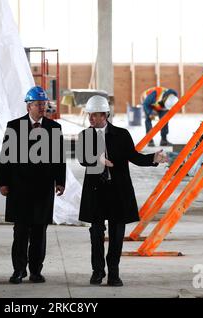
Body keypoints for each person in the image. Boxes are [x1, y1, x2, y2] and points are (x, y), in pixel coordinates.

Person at [77, 95, 168, 286]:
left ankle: (114, 273)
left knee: (117, 235)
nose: (91, 119)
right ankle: (97, 271)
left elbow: (134, 157)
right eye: (89, 115)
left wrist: (153, 159)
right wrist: (97, 160)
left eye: (94, 115)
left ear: (105, 115)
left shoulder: (121, 135)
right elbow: (82, 158)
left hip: (117, 192)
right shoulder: (85, 135)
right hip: (96, 192)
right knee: (96, 234)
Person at [0, 86, 66, 284]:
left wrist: (60, 181)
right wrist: (3, 182)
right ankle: (18, 270)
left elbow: (59, 158)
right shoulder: (14, 126)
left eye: (44, 104)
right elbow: (5, 157)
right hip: (19, 188)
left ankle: (36, 270)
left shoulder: (54, 128)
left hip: (43, 188)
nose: (42, 107)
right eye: (38, 104)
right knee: (20, 231)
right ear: (28, 106)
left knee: (39, 231)